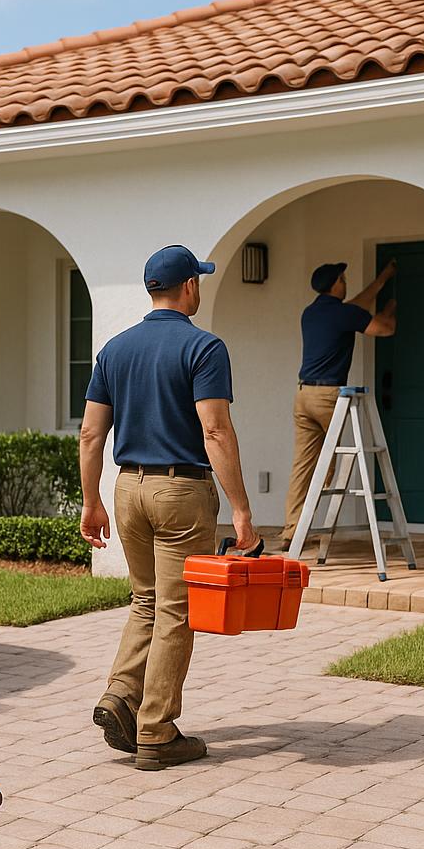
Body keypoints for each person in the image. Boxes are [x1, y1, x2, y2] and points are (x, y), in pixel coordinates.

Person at [79, 245, 259, 771]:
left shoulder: (114, 349)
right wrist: (242, 509)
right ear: (188, 287)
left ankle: (120, 696)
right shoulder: (204, 348)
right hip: (180, 492)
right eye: (198, 281)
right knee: (176, 611)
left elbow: (91, 432)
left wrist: (91, 501)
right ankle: (155, 731)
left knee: (146, 601)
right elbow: (216, 429)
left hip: (127, 488)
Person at [282, 261, 397, 541]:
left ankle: (292, 531)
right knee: (327, 465)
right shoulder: (344, 314)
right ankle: (311, 525)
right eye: (343, 279)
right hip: (328, 397)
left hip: (303, 395)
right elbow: (383, 329)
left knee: (302, 465)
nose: (346, 283)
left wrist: (381, 279)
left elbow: (356, 306)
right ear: (336, 284)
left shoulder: (311, 313)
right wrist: (390, 309)